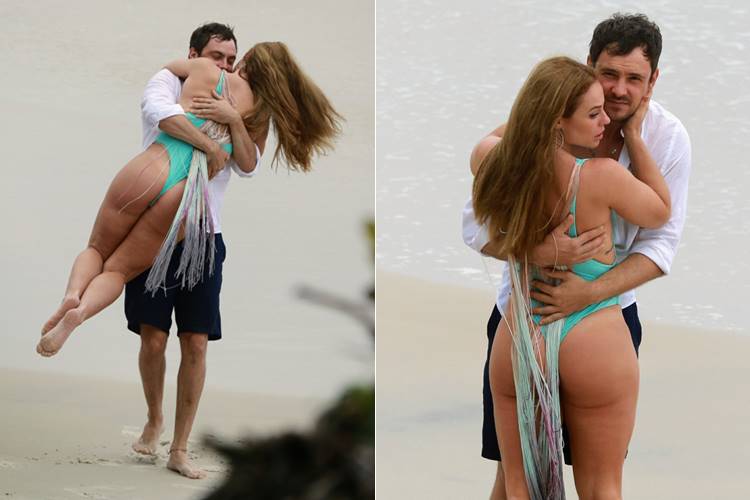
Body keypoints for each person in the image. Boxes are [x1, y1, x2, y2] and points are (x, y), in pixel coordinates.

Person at [37, 37, 342, 476]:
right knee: (149, 329)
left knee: (181, 329)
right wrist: (216, 142)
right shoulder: (187, 87)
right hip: (184, 199)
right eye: (220, 56)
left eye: (234, 58)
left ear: (246, 61)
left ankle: (77, 304)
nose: (227, 64)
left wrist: (231, 119)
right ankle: (151, 416)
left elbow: (248, 164)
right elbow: (161, 111)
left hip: (189, 217)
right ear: (197, 52)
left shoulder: (212, 86)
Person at [463, 13, 691, 499]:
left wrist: (585, 289)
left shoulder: (517, 150)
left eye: (634, 79)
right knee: (598, 487)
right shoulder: (599, 174)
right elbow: (659, 212)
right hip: (584, 332)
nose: (618, 93)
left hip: (532, 320)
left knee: (519, 487)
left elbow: (661, 246)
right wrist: (545, 249)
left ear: (653, 80)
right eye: (609, 75)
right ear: (590, 66)